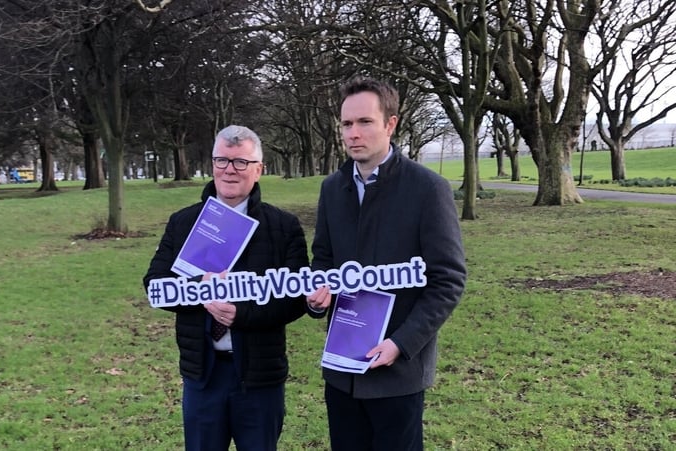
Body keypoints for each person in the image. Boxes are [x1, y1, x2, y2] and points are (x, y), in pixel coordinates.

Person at [306, 76, 467, 450]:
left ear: (390, 124)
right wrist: (316, 297)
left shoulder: (427, 189)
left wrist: (401, 343)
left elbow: (448, 280)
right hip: (343, 369)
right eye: (346, 124)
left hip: (398, 371)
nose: (353, 133)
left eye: (365, 122)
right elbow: (324, 259)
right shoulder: (332, 188)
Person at [143, 125, 309, 451]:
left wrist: (242, 314)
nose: (229, 170)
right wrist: (197, 289)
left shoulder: (284, 227)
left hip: (259, 377)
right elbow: (155, 284)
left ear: (259, 170)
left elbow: (295, 299)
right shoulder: (183, 222)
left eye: (241, 162)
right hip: (203, 375)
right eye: (222, 160)